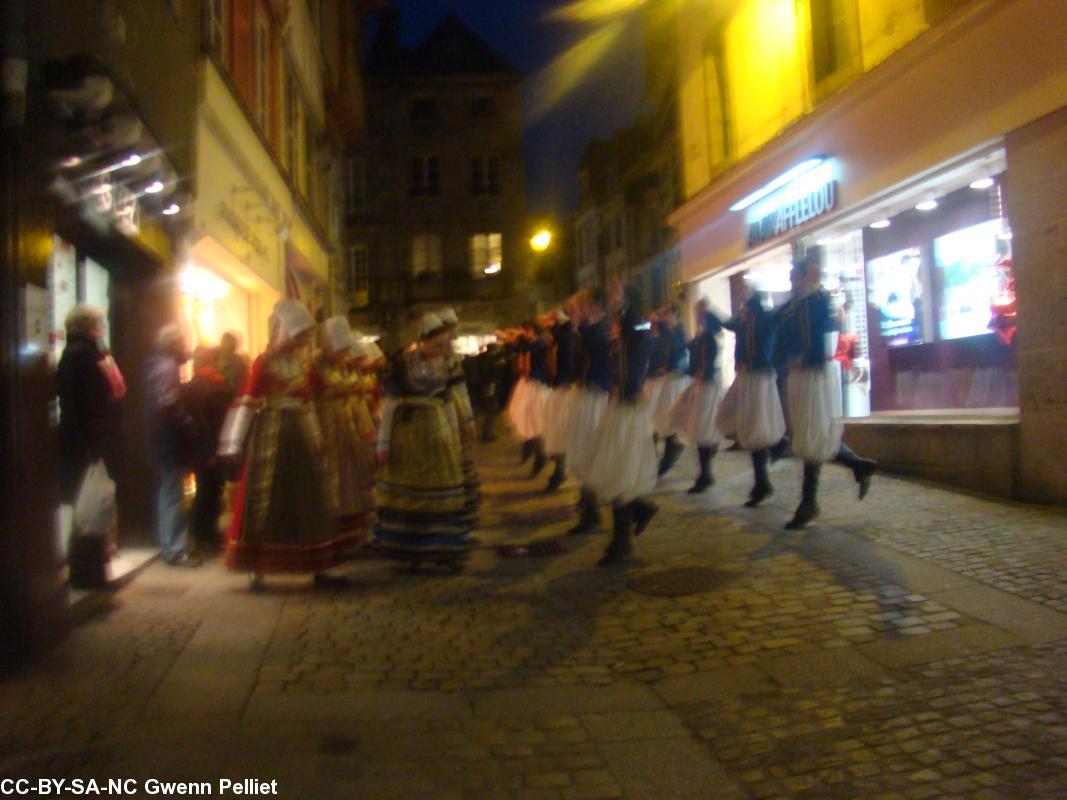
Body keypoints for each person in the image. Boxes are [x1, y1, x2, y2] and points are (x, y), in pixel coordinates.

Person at [226, 299, 353, 586]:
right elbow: (248, 403)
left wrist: (317, 435)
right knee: (266, 499)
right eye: (300, 335)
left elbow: (307, 403)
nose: (303, 341)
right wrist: (234, 442)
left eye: (305, 336)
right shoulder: (263, 363)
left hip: (301, 434)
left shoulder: (301, 364)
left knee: (311, 498)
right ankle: (256, 565)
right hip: (272, 434)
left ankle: (319, 563)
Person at [777, 255, 877, 529]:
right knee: (811, 433)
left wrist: (805, 359)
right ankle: (857, 466)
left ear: (805, 276)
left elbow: (818, 335)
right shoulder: (796, 305)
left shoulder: (817, 300)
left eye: (794, 276)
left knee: (813, 433)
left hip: (813, 374)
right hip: (801, 374)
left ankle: (809, 503)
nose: (791, 281)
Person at [374, 313, 476, 569]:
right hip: (409, 433)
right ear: (422, 341)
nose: (441, 350)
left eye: (444, 345)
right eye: (436, 345)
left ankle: (444, 550)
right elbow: (388, 404)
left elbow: (456, 393)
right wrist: (383, 442)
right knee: (411, 494)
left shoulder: (449, 363)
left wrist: (467, 420)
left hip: (439, 428)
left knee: (443, 490)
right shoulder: (402, 363)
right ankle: (411, 551)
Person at [585, 290, 658, 565]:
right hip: (618, 404)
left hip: (628, 405)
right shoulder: (619, 332)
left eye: (617, 300)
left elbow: (643, 343)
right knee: (616, 468)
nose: (612, 306)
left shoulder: (635, 327)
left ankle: (622, 540)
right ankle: (636, 516)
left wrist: (632, 385)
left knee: (619, 468)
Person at [57, 304, 125, 573]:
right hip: (85, 444)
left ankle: (90, 566)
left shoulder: (86, 354)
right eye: (99, 323)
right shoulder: (82, 356)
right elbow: (83, 404)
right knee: (88, 506)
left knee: (88, 505)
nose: (103, 328)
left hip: (85, 441)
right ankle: (87, 570)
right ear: (87, 327)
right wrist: (93, 445)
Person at [719, 292, 787, 507]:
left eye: (744, 309)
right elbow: (728, 323)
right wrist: (710, 310)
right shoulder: (744, 325)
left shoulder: (765, 320)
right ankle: (763, 483)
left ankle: (763, 483)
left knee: (756, 429)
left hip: (761, 377)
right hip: (747, 379)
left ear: (751, 309)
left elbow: (778, 320)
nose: (741, 313)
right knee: (749, 428)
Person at [312, 316, 376, 541]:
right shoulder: (315, 365)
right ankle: (332, 527)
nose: (344, 356)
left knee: (351, 473)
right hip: (327, 422)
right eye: (340, 350)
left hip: (347, 421)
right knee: (333, 475)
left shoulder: (341, 366)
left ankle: (353, 526)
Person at [147, 323, 201, 567]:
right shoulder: (167, 367)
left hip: (161, 439)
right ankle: (175, 549)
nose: (187, 347)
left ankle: (169, 546)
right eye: (183, 342)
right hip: (169, 440)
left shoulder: (157, 364)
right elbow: (169, 405)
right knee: (173, 494)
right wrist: (189, 424)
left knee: (168, 492)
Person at [661, 298, 725, 493]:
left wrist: (702, 373)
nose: (696, 315)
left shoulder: (710, 335)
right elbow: (687, 349)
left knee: (702, 427)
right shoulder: (700, 335)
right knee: (693, 424)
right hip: (699, 384)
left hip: (707, 385)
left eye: (699, 312)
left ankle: (705, 474)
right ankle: (704, 472)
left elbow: (708, 357)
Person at [566, 288, 613, 534]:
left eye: (579, 306)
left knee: (594, 452)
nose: (575, 312)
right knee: (585, 451)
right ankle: (589, 505)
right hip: (587, 394)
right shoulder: (587, 329)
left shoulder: (602, 327)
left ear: (594, 305)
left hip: (598, 396)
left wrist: (581, 327)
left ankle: (595, 509)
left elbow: (601, 351)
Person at [182, 345, 232, 549]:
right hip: (209, 445)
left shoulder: (191, 387)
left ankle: (202, 533)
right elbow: (208, 420)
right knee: (209, 491)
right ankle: (203, 533)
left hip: (200, 446)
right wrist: (210, 450)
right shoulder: (209, 387)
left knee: (208, 490)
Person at [542, 305, 579, 493]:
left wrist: (559, 323)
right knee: (558, 430)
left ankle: (561, 472)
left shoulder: (574, 331)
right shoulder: (568, 331)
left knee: (564, 431)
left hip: (571, 386)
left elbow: (567, 342)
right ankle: (559, 471)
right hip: (562, 383)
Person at [650, 305, 690, 469]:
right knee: (659, 417)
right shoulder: (663, 333)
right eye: (663, 313)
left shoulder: (679, 332)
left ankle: (671, 452)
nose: (664, 316)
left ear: (675, 315)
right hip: (662, 379)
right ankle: (656, 457)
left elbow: (678, 350)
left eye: (667, 313)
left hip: (675, 379)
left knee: (669, 417)